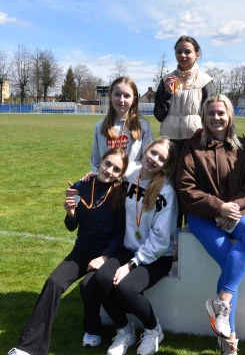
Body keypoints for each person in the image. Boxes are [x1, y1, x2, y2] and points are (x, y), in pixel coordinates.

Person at [8, 148, 129, 355]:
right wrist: (71, 213)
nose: (109, 171)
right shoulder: (80, 187)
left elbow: (119, 234)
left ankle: (92, 329)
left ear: (121, 174)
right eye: (108, 164)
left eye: (116, 169)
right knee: (53, 283)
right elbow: (72, 226)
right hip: (81, 250)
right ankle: (29, 347)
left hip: (106, 254)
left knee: (88, 285)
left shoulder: (120, 193)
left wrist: (104, 257)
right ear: (100, 161)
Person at [176, 94, 245, 355]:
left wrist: (233, 207)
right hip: (202, 216)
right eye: (211, 113)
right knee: (229, 263)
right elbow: (186, 187)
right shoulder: (192, 147)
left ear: (229, 116)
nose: (216, 118)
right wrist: (217, 207)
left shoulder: (241, 146)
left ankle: (221, 302)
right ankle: (229, 340)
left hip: (235, 212)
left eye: (221, 113)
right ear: (204, 117)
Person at [83, 137, 178, 355]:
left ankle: (154, 330)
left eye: (161, 159)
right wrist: (92, 177)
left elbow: (161, 239)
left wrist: (131, 265)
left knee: (125, 287)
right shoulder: (130, 172)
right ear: (146, 149)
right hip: (128, 248)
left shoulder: (166, 191)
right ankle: (125, 330)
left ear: (166, 165)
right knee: (101, 279)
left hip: (156, 256)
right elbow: (109, 172)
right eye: (153, 153)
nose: (154, 159)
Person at [153, 35, 214, 256]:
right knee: (170, 192)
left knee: (191, 192)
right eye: (179, 51)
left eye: (187, 51)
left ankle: (190, 245)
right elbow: (159, 115)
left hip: (194, 144)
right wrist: (167, 95)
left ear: (197, 54)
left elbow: (210, 114)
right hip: (169, 144)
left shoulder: (206, 81)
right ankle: (169, 245)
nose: (183, 55)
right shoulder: (166, 80)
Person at [91, 76, 154, 176]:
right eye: (117, 94)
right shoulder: (100, 126)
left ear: (134, 99)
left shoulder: (143, 126)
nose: (121, 100)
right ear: (110, 96)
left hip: (131, 182)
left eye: (127, 96)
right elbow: (96, 162)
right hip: (106, 181)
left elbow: (147, 160)